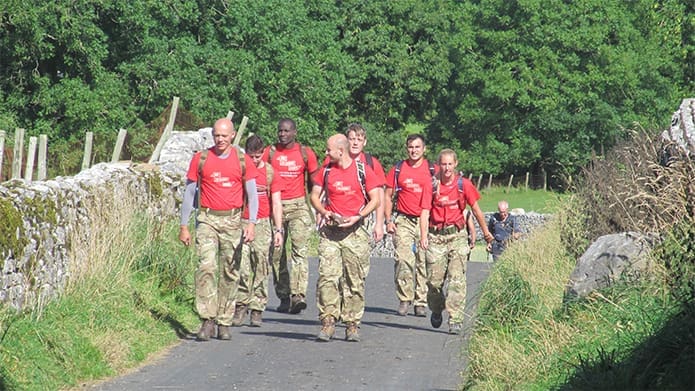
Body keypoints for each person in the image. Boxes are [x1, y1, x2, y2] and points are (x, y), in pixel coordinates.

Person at [179, 118, 259, 341]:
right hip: (207, 219)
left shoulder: (243, 160)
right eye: (217, 135)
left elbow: (252, 195)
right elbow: (188, 193)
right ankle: (207, 319)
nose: (220, 139)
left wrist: (251, 223)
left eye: (224, 135)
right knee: (206, 267)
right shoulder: (201, 159)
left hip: (233, 221)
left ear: (233, 135)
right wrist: (184, 225)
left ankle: (224, 320)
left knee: (229, 271)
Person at [309, 134, 381, 342]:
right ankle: (328, 321)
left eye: (328, 149)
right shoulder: (326, 170)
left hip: (355, 233)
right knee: (327, 277)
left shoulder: (362, 171)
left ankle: (352, 324)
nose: (325, 153)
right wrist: (324, 211)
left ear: (340, 151)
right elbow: (314, 195)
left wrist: (359, 216)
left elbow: (375, 198)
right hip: (331, 233)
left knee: (354, 280)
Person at [425, 149, 494, 335]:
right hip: (436, 237)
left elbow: (477, 210)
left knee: (457, 279)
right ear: (438, 165)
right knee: (434, 282)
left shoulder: (464, 185)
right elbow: (424, 212)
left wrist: (486, 233)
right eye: (443, 164)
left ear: (455, 164)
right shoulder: (431, 185)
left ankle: (455, 318)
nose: (447, 168)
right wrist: (423, 235)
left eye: (450, 164)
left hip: (457, 236)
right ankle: (437, 308)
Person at [263, 118, 320, 314]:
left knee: (299, 251)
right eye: (280, 131)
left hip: (298, 206)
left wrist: (317, 206)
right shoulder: (269, 153)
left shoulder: (306, 153)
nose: (283, 134)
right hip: (275, 207)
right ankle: (284, 295)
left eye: (287, 131)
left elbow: (314, 181)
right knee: (277, 253)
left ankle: (298, 295)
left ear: (295, 132)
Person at [231, 135, 284, 327]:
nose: (254, 161)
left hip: (263, 224)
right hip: (241, 221)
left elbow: (277, 203)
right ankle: (241, 304)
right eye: (250, 156)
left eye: (257, 156)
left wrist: (278, 230)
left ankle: (257, 308)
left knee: (261, 265)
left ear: (263, 154)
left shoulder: (270, 173)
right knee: (242, 266)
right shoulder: (240, 169)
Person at [384, 134, 435, 317]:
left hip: (426, 220)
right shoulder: (398, 169)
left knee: (424, 260)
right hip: (403, 220)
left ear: (424, 149)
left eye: (417, 147)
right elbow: (387, 196)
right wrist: (388, 220)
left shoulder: (432, 170)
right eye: (410, 147)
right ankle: (405, 298)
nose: (414, 150)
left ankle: (420, 301)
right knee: (403, 259)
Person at [344, 123, 386, 246]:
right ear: (346, 141)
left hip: (363, 217)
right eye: (352, 139)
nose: (355, 143)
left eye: (359, 140)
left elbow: (380, 196)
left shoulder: (372, 163)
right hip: (339, 215)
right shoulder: (336, 160)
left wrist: (379, 224)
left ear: (365, 142)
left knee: (358, 260)